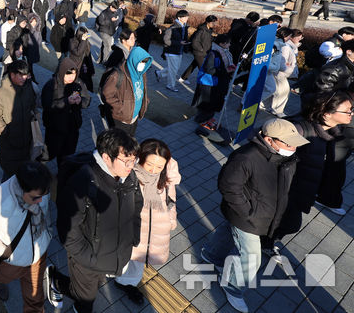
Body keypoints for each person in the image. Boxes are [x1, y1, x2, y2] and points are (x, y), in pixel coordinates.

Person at [200, 119, 307, 313]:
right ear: (268, 140)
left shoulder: (286, 156)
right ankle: (232, 287)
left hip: (262, 214)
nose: (293, 147)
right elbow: (228, 186)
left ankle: (210, 254)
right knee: (251, 257)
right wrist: (248, 212)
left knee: (227, 230)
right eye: (288, 143)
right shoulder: (246, 157)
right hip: (247, 216)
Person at [45, 129, 143, 313]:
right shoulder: (83, 182)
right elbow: (68, 228)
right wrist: (87, 257)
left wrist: (133, 236)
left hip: (113, 252)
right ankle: (56, 281)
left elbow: (137, 205)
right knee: (85, 299)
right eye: (127, 160)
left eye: (134, 159)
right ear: (106, 157)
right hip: (88, 258)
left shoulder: (128, 175)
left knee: (93, 286)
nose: (132, 165)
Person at [260, 92, 350, 262]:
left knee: (289, 224)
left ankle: (266, 242)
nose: (351, 114)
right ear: (327, 113)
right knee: (287, 224)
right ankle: (261, 244)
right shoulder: (301, 130)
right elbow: (273, 158)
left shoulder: (331, 133)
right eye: (347, 111)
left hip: (303, 189)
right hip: (287, 190)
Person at [0, 162, 53, 310]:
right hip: (13, 262)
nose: (41, 200)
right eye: (36, 198)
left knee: (35, 300)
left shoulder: (40, 188)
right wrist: (9, 255)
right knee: (1, 277)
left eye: (44, 194)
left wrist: (48, 231)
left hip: (38, 254)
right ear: (22, 190)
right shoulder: (0, 204)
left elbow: (45, 211)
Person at [115, 139, 181, 305]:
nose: (153, 170)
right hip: (130, 232)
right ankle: (119, 280)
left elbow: (171, 200)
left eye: (159, 167)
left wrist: (171, 220)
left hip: (154, 233)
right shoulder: (128, 176)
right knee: (121, 261)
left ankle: (128, 285)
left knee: (138, 263)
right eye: (149, 164)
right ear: (141, 158)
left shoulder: (165, 179)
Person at [0, 60, 38, 182]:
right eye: (20, 75)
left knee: (24, 172)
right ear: (12, 74)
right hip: (9, 145)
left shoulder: (28, 88)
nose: (24, 78)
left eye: (26, 75)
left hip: (26, 140)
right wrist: (7, 133)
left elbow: (33, 106)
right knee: (9, 176)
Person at [41, 58, 91, 166]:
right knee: (48, 155)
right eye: (68, 74)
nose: (71, 77)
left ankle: (62, 178)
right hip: (55, 130)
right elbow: (47, 105)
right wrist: (66, 101)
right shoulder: (51, 85)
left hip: (72, 129)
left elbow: (87, 100)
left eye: (74, 73)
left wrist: (80, 101)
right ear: (62, 71)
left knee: (67, 158)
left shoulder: (79, 83)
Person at [100, 47, 152, 137]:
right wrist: (121, 108)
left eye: (145, 63)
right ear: (134, 60)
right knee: (119, 145)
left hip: (134, 117)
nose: (142, 65)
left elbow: (143, 89)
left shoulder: (142, 73)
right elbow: (106, 94)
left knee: (129, 143)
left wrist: (145, 101)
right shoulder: (117, 74)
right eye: (141, 62)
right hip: (121, 119)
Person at [191, 34, 235, 127]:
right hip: (210, 83)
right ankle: (202, 120)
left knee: (213, 103)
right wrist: (225, 70)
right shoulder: (213, 53)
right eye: (228, 43)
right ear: (222, 44)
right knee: (208, 103)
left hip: (217, 82)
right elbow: (209, 69)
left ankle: (208, 118)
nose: (229, 45)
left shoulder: (223, 52)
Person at [269, 28, 302, 116]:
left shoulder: (289, 46)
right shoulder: (286, 47)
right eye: (298, 37)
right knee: (283, 91)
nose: (300, 39)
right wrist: (287, 68)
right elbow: (281, 61)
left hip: (280, 72)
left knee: (276, 90)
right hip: (280, 72)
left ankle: (270, 107)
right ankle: (277, 110)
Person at [156, 10, 190, 92]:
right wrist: (179, 43)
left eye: (187, 16)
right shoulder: (173, 27)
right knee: (173, 70)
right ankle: (170, 85)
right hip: (171, 52)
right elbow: (166, 40)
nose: (187, 18)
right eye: (185, 17)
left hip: (179, 51)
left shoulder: (184, 26)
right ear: (179, 18)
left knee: (174, 68)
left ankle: (159, 73)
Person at [180, 15, 217, 84]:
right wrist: (201, 49)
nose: (214, 24)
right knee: (203, 68)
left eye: (215, 23)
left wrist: (217, 39)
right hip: (199, 52)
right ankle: (204, 84)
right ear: (207, 22)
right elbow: (194, 42)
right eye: (213, 22)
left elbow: (208, 38)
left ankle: (183, 78)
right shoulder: (201, 30)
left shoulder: (209, 30)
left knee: (193, 65)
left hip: (204, 52)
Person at [67, 26, 95, 91]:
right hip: (76, 67)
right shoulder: (72, 42)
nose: (86, 37)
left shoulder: (86, 43)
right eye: (85, 35)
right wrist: (83, 41)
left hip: (85, 67)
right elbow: (78, 52)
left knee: (88, 85)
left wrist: (92, 70)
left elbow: (88, 57)